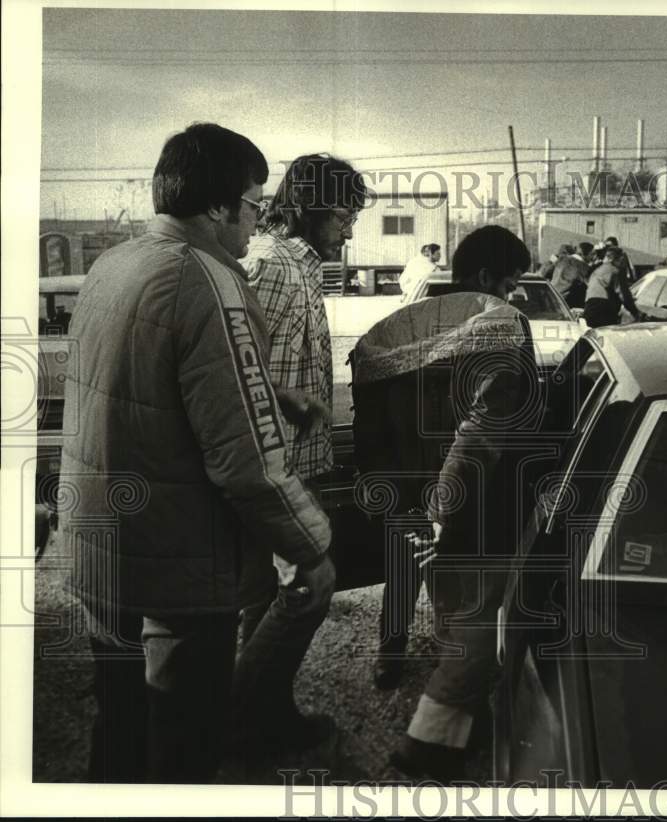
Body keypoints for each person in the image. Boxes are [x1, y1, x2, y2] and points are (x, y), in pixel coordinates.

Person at [60, 123, 334, 783]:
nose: (256, 222)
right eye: (253, 205)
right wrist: (311, 542)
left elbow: (152, 381)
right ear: (218, 207)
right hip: (178, 563)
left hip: (101, 543)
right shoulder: (211, 279)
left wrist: (269, 389)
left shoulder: (115, 264)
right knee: (183, 746)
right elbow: (248, 462)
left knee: (121, 725)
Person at [351, 225, 542, 779]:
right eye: (509, 282)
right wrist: (445, 507)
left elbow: (371, 429)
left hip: (411, 495)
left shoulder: (392, 330)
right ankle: (428, 743)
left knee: (449, 606)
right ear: (485, 278)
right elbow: (484, 432)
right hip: (475, 502)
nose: (514, 295)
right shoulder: (502, 327)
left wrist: (395, 501)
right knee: (479, 617)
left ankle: (463, 722)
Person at [233, 153, 368, 750]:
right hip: (269, 467)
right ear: (310, 207)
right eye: (342, 214)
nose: (349, 228)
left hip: (290, 462)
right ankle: (241, 712)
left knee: (262, 596)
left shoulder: (304, 265)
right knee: (311, 586)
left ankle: (261, 714)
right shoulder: (271, 264)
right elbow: (230, 363)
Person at [584, 245, 645, 328]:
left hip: (589, 308)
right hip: (604, 309)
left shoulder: (597, 270)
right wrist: (636, 313)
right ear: (617, 259)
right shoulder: (615, 271)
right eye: (622, 260)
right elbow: (624, 295)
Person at [550, 243, 589, 308]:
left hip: (552, 296)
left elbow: (542, 274)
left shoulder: (560, 261)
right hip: (565, 301)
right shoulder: (583, 266)